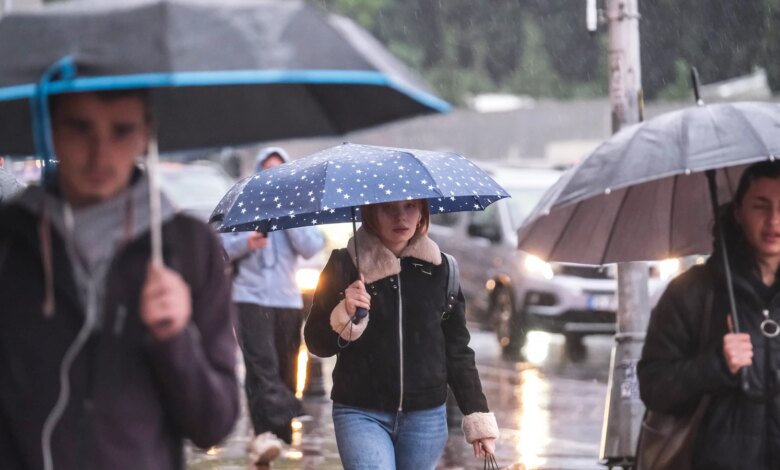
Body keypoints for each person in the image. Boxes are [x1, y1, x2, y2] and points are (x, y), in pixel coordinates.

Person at [0, 90, 239, 469]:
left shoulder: (188, 248)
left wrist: (175, 340)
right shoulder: (10, 243)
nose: (100, 153)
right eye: (80, 129)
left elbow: (213, 425)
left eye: (121, 131)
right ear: (51, 129)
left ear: (147, 133)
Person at [304, 199, 499, 470]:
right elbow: (316, 342)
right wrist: (344, 312)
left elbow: (458, 351)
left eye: (409, 207)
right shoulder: (343, 265)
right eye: (388, 209)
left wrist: (477, 416)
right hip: (360, 411)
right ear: (371, 213)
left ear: (422, 212)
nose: (401, 217)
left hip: (426, 418)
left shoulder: (442, 269)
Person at [638, 160, 780, 469]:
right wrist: (715, 365)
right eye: (761, 206)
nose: (774, 220)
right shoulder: (693, 292)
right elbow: (654, 387)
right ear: (738, 212)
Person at [221, 147, 325, 467]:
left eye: (279, 171)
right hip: (248, 297)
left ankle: (275, 436)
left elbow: (311, 247)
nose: (273, 177)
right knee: (260, 367)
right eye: (267, 170)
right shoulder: (243, 206)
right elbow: (221, 246)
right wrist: (245, 242)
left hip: (286, 299)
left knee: (285, 369)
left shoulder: (297, 209)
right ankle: (265, 434)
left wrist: (287, 218)